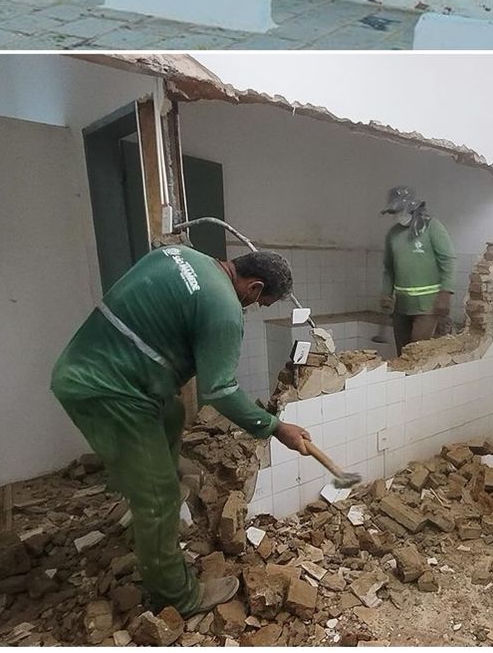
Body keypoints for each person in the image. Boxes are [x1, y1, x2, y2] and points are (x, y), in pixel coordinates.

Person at [50, 245, 312, 618]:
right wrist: (275, 427)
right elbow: (218, 390)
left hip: (94, 366)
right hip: (109, 390)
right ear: (254, 287)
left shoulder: (181, 255)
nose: (255, 309)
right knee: (158, 498)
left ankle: (156, 476)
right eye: (262, 303)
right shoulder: (224, 306)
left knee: (172, 413)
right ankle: (177, 596)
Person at [380, 186, 455, 355]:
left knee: (416, 354)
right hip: (402, 306)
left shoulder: (432, 228)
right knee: (402, 355)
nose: (396, 215)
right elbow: (389, 268)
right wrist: (386, 293)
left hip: (427, 306)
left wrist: (445, 294)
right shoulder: (393, 234)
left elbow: (448, 260)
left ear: (411, 207)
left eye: (399, 210)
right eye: (393, 212)